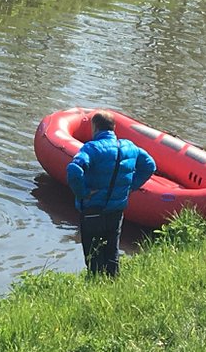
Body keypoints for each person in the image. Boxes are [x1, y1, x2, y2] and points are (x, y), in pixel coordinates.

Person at [67, 110, 156, 276]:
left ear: (94, 127)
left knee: (93, 255)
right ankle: (113, 282)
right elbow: (150, 165)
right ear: (113, 128)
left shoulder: (92, 148)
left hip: (92, 210)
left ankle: (95, 285)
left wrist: (83, 193)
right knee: (112, 251)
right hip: (116, 209)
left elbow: (74, 169)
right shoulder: (130, 147)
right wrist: (131, 186)